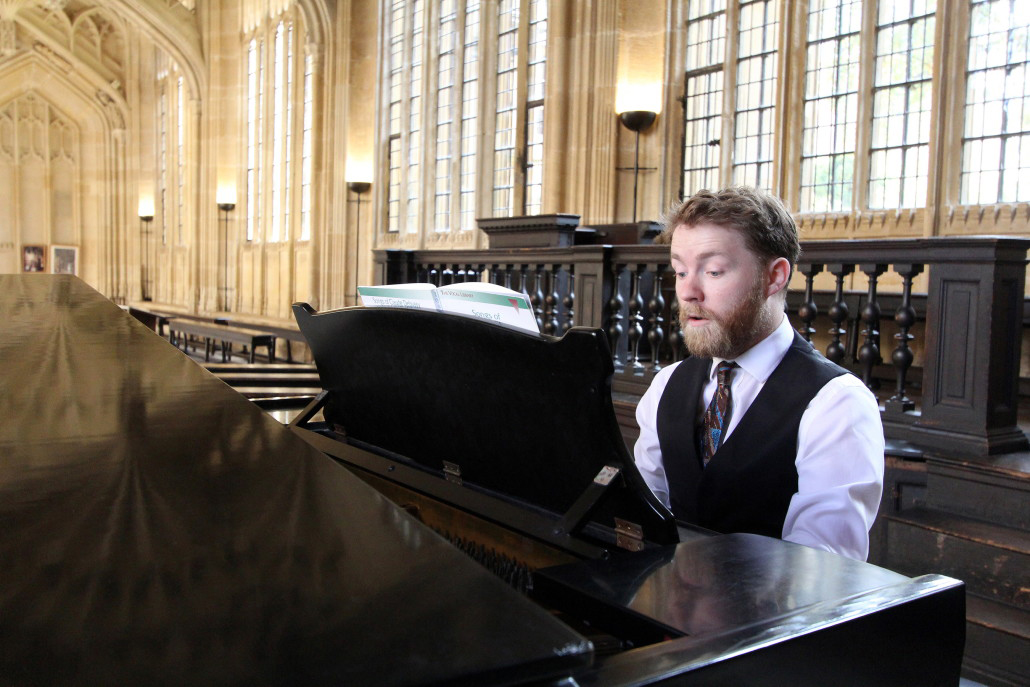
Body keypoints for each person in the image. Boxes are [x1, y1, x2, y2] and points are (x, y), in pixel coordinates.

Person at [633, 186, 884, 561]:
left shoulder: (836, 402)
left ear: (774, 277)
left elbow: (823, 568)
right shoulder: (667, 384)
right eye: (680, 271)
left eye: (713, 271)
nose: (688, 291)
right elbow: (642, 516)